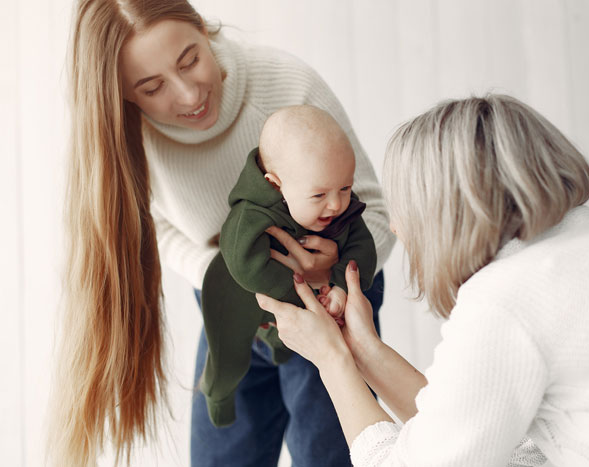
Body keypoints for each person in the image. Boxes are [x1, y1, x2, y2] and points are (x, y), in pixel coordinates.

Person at [257, 94, 589, 466]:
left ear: (443, 209)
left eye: (406, 207)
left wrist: (331, 360)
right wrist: (363, 350)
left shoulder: (507, 300)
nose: (396, 228)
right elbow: (506, 447)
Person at [48, 1, 393, 466]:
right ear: (123, 95)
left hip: (329, 298)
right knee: (222, 454)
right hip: (230, 303)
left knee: (327, 453)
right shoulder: (125, 138)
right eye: (152, 88)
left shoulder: (288, 84)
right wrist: (227, 278)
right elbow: (162, 230)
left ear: (204, 30)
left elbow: (375, 208)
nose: (189, 96)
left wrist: (332, 265)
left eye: (190, 59)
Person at [199, 104, 377, 427]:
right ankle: (217, 394)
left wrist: (339, 283)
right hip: (235, 296)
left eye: (346, 188)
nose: (336, 204)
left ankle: (279, 345)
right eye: (319, 194)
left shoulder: (338, 206)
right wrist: (303, 297)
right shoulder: (251, 217)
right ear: (277, 184)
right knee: (229, 359)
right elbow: (244, 263)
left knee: (289, 352)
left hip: (311, 306)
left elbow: (363, 246)